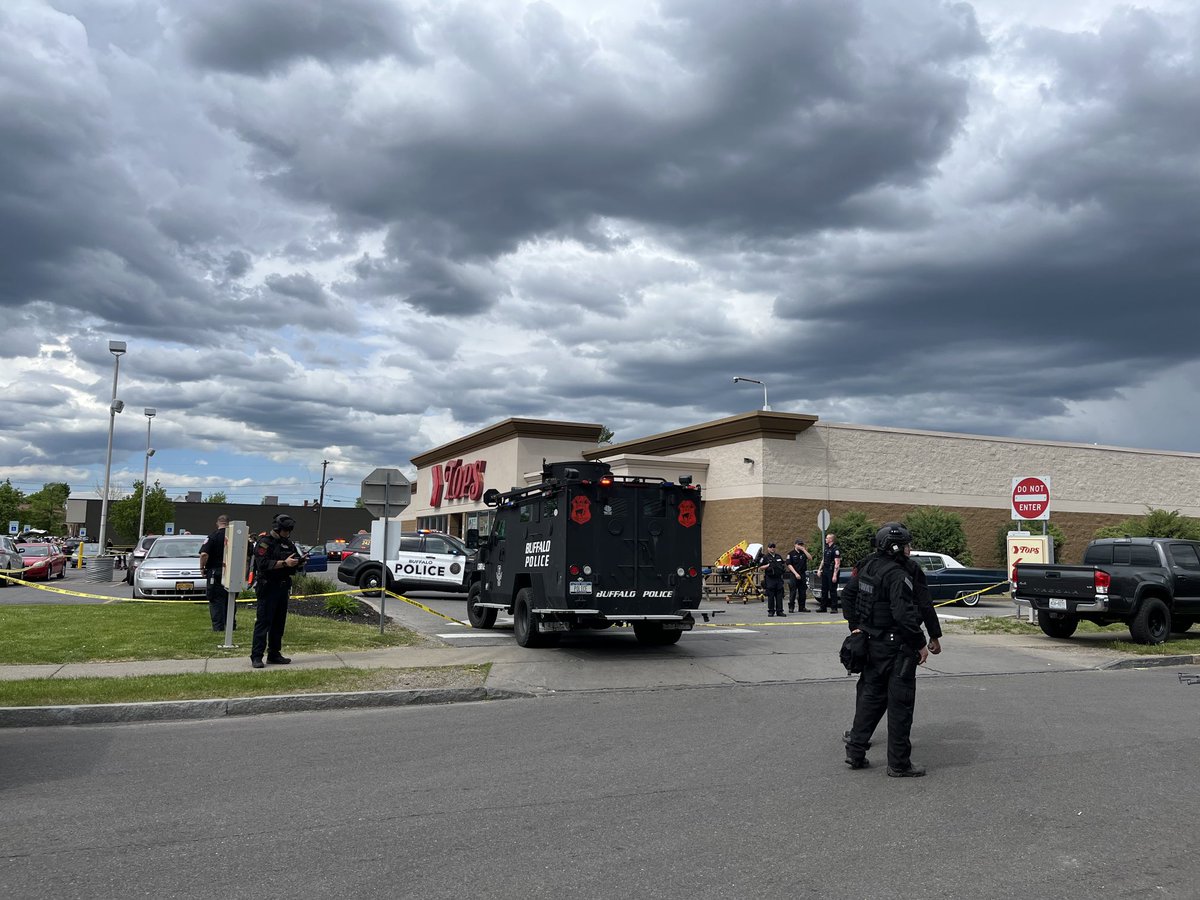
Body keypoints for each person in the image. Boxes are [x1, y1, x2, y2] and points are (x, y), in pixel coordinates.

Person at [843, 522, 930, 777]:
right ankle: (899, 764)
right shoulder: (897, 575)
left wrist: (856, 628)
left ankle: (855, 751)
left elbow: (849, 595)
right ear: (895, 547)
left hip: (871, 643)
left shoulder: (869, 567)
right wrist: (920, 643)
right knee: (901, 705)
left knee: (870, 698)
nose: (909, 550)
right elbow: (903, 615)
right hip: (897, 647)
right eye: (905, 545)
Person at [250, 514, 305, 668]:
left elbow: (293, 560)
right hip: (268, 586)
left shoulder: (288, 544)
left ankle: (274, 654)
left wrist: (299, 562)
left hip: (283, 586)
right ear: (277, 528)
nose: (288, 533)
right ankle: (256, 656)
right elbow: (263, 564)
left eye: (289, 531)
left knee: (278, 623)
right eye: (285, 530)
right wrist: (285, 563)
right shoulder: (264, 543)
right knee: (263, 622)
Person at [199, 515, 236, 632]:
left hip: (215, 571)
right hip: (231, 571)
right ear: (228, 523)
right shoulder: (233, 537)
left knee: (215, 599)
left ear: (217, 523)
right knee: (230, 598)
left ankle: (218, 626)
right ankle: (231, 624)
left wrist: (202, 568)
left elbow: (204, 554)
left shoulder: (213, 536)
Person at [759, 541, 787, 617]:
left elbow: (783, 565)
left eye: (773, 547)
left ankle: (780, 611)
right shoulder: (765, 557)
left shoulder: (778, 556)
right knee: (771, 596)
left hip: (778, 578)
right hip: (770, 579)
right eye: (771, 547)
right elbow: (760, 567)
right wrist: (767, 565)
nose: (772, 548)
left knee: (779, 596)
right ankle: (771, 611)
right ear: (768, 548)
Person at [816, 532, 841, 612]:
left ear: (831, 539)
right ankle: (823, 607)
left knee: (832, 590)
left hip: (832, 570)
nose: (826, 539)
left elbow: (837, 563)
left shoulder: (835, 549)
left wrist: (834, 575)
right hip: (825, 571)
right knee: (824, 589)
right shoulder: (826, 548)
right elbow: (823, 560)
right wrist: (819, 570)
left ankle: (834, 608)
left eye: (827, 538)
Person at [786, 539, 812, 612]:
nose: (800, 546)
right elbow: (789, 564)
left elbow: (810, 558)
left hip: (802, 574)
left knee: (802, 592)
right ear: (795, 545)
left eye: (801, 545)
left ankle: (802, 607)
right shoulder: (791, 554)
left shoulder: (803, 553)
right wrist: (795, 573)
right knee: (793, 592)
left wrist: (804, 550)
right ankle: (791, 607)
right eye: (799, 544)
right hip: (794, 574)